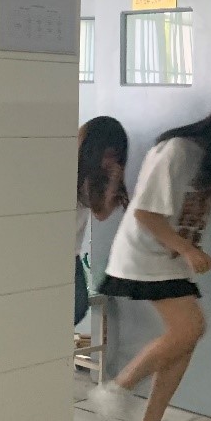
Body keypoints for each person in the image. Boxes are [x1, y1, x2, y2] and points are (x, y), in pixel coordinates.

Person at [88, 91, 211, 421]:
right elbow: (145, 213)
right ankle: (118, 388)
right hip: (143, 255)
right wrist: (187, 248)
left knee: (186, 338)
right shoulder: (177, 151)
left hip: (168, 258)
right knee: (191, 328)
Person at [75, 117, 129, 325]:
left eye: (115, 157)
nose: (110, 162)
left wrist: (114, 182)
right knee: (76, 306)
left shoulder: (94, 176)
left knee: (78, 306)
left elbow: (101, 213)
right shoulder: (74, 168)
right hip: (56, 250)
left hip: (72, 251)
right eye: (107, 155)